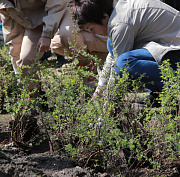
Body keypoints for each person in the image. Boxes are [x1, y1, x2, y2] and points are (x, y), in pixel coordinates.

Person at [74, 0, 180, 107]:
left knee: (125, 63)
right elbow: (113, 57)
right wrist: (100, 89)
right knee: (111, 44)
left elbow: (117, 70)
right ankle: (159, 93)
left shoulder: (121, 23)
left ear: (104, 17)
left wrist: (108, 106)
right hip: (166, 46)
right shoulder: (118, 12)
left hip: (175, 49)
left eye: (92, 28)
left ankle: (175, 86)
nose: (93, 33)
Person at [0, 0, 67, 99]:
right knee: (26, 59)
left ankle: (85, 68)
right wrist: (20, 77)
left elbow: (57, 4)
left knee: (70, 36)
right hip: (33, 24)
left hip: (59, 12)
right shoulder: (3, 2)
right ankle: (34, 99)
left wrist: (47, 34)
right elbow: (13, 40)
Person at [50, 0, 108, 75]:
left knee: (74, 36)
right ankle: (88, 62)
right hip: (91, 33)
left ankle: (100, 59)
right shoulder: (69, 6)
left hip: (106, 37)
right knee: (57, 42)